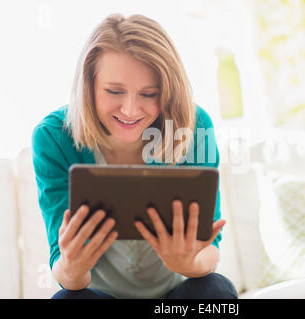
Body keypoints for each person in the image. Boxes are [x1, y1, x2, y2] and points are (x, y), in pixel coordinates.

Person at [32, 13, 237, 299]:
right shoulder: (54, 137)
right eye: (114, 91)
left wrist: (188, 263)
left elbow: (209, 247)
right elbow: (63, 268)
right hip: (102, 296)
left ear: (166, 92)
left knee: (215, 290)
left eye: (149, 94)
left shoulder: (192, 125)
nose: (130, 110)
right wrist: (73, 268)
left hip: (175, 298)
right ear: (88, 86)